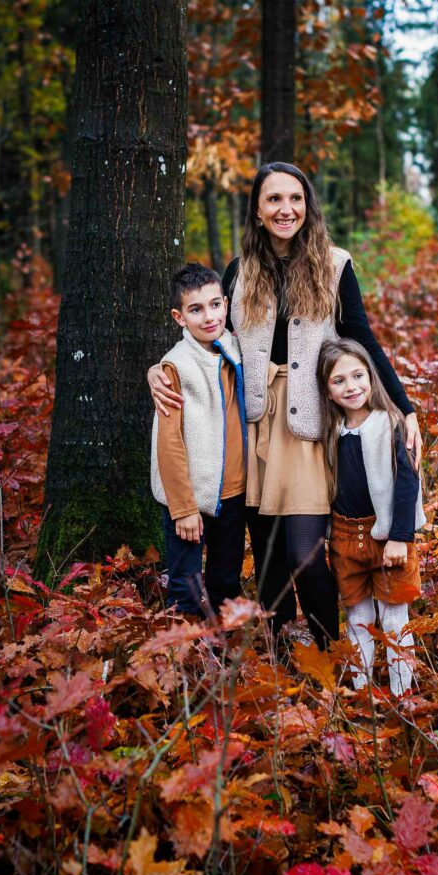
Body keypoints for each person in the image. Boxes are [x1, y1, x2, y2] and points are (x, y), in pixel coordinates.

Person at [149, 162, 422, 649]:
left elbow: (364, 340)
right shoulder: (239, 271)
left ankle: (326, 645)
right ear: (256, 210)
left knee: (305, 552)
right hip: (250, 421)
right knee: (269, 551)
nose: (285, 209)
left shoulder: (335, 266)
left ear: (307, 206)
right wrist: (159, 370)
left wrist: (407, 408)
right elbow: (210, 338)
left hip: (308, 423)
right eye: (273, 199)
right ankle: (278, 647)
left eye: (295, 198)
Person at [317, 338, 424, 695]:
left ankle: (401, 695)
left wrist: (400, 536)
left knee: (394, 620)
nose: (351, 386)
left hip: (388, 537)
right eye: (339, 381)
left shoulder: (391, 423)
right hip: (346, 538)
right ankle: (363, 693)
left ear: (372, 377)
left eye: (358, 375)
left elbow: (408, 481)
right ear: (327, 391)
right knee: (358, 620)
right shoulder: (330, 432)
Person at [150, 264, 247, 618]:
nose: (209, 317)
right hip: (190, 498)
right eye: (196, 309)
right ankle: (183, 660)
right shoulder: (176, 367)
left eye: (215, 305)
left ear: (226, 304)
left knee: (226, 580)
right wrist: (183, 508)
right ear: (179, 317)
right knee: (185, 586)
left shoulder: (238, 348)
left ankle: (225, 659)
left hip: (235, 494)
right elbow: (169, 443)